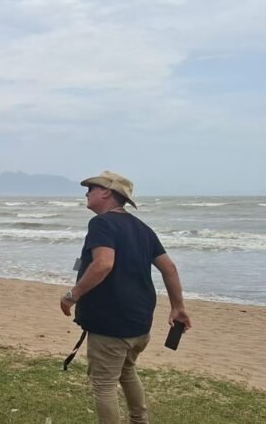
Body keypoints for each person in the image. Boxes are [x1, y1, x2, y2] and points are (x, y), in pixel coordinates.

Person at [59, 171, 192, 424]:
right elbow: (169, 268)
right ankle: (139, 420)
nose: (86, 193)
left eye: (91, 188)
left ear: (107, 192)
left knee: (104, 384)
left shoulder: (102, 224)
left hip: (111, 323)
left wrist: (71, 296)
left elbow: (103, 264)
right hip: (140, 321)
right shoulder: (142, 228)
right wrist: (178, 308)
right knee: (127, 370)